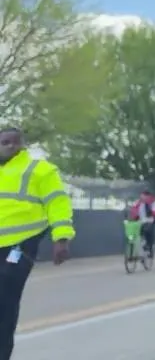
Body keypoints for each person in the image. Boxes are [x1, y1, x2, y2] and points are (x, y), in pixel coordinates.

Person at [0, 128, 72, 360]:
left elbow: (57, 203)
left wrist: (61, 237)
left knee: (4, 298)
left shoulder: (39, 169)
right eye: (4, 142)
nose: (9, 146)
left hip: (19, 246)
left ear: (23, 145)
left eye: (14, 142)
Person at [128, 189, 155, 256]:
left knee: (148, 230)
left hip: (150, 221)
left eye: (144, 196)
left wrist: (152, 213)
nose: (142, 198)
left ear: (148, 196)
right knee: (132, 231)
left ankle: (150, 246)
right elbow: (133, 210)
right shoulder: (138, 203)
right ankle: (132, 251)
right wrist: (134, 216)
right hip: (140, 221)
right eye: (142, 196)